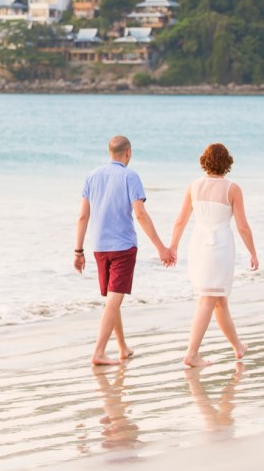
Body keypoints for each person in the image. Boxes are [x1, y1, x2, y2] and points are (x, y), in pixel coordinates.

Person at [74, 135, 174, 366]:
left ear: (109, 152)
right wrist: (161, 248)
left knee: (112, 298)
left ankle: (122, 348)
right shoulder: (130, 176)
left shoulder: (92, 176)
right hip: (123, 247)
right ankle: (99, 352)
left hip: (99, 247)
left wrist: (78, 251)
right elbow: (140, 214)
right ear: (128, 152)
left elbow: (82, 216)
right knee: (114, 300)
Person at [165, 143, 259, 368]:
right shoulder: (232, 189)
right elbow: (243, 226)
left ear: (204, 161)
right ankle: (191, 353)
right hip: (220, 246)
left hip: (198, 244)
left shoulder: (194, 186)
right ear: (227, 163)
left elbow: (180, 220)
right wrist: (253, 252)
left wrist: (173, 247)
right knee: (209, 298)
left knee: (219, 299)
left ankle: (238, 346)